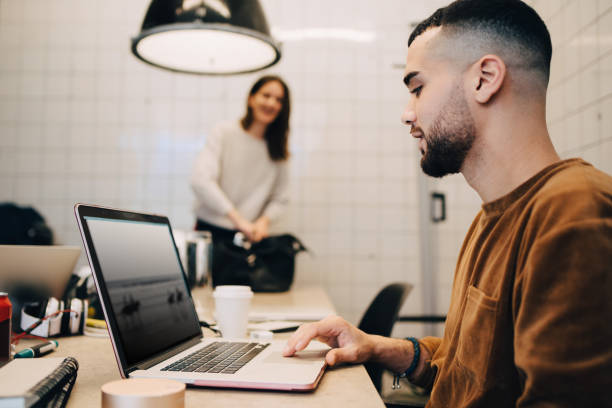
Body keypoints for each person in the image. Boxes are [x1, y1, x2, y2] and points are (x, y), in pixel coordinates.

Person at [283, 0, 612, 406]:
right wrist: (377, 347)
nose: (407, 114)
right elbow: (469, 372)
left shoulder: (574, 212)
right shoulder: (490, 218)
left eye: (418, 88)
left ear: (485, 79)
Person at [191, 75, 291, 244]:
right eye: (266, 95)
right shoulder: (223, 132)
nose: (271, 103)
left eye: (279, 100)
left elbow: (281, 198)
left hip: (251, 238)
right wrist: (237, 219)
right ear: (251, 99)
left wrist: (263, 221)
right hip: (211, 233)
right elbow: (200, 181)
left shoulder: (279, 149)